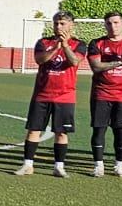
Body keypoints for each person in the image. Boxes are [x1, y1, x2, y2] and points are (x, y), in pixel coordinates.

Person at [17, 11, 83, 177]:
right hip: (42, 95)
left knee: (61, 132)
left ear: (71, 25)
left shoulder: (79, 44)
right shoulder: (43, 42)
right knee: (34, 130)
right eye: (56, 23)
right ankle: (28, 165)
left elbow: (74, 61)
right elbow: (40, 60)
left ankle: (59, 166)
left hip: (65, 96)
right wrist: (56, 47)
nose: (58, 27)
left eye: (62, 24)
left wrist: (65, 45)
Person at [86, 12, 122, 177]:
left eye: (116, 22)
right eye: (109, 23)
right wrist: (117, 62)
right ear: (105, 25)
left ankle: (120, 165)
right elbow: (96, 67)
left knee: (121, 131)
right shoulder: (97, 43)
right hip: (101, 94)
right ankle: (99, 165)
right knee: (99, 130)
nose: (113, 26)